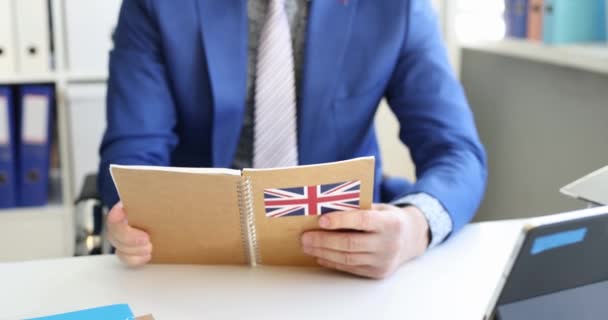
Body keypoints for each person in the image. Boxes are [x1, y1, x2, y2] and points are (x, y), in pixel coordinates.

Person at [100, 0, 487, 279]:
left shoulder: (397, 8)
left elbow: (456, 150)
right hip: (196, 257)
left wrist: (415, 228)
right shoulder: (155, 5)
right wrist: (130, 214)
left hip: (344, 251)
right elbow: (134, 149)